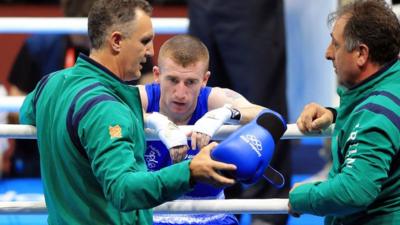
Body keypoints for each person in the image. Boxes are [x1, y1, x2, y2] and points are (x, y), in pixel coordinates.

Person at [19, 1, 237, 224]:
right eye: (144, 41)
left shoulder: (50, 84)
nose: (151, 51)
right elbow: (123, 190)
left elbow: (27, 114)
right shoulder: (107, 109)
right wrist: (189, 171)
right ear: (116, 41)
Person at [137, 34, 269, 225]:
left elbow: (268, 116)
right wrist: (155, 122)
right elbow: (107, 109)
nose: (180, 93)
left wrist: (224, 114)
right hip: (150, 217)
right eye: (172, 80)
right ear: (157, 75)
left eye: (190, 82)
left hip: (211, 217)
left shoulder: (212, 99)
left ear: (205, 79)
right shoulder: (143, 97)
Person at [290, 0, 400, 224]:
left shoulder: (375, 112)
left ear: (361, 54)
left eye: (335, 44)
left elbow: (354, 191)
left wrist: (301, 196)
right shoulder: (390, 87)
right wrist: (335, 113)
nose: (328, 53)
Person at [187, 1, 291, 224]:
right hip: (201, 7)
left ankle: (267, 212)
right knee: (203, 100)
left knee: (260, 108)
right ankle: (219, 204)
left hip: (249, 9)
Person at [5, 0, 95, 177]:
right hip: (37, 161)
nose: (85, 34)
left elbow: (146, 93)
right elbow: (13, 111)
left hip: (95, 159)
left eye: (91, 26)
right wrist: (61, 120)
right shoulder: (37, 47)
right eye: (80, 22)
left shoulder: (121, 48)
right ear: (68, 17)